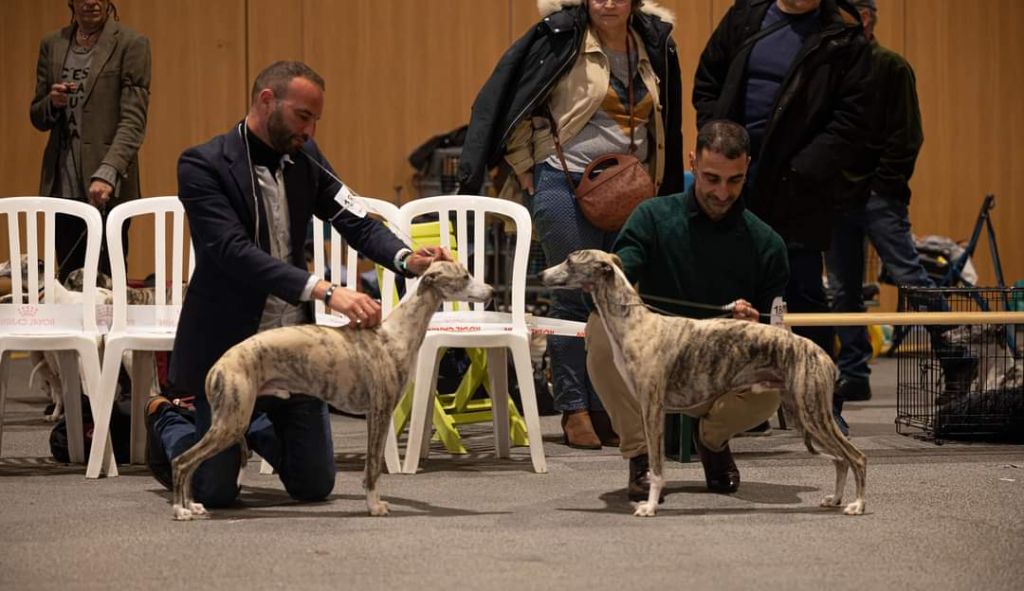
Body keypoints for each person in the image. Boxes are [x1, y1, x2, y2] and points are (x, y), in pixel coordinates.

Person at [145, 61, 448, 507]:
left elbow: (357, 220)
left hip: (297, 352)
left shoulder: (306, 156)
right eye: (304, 116)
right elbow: (232, 252)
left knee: (314, 486)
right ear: (267, 100)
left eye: (316, 120)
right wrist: (324, 290)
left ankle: (248, 424)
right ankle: (170, 419)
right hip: (232, 347)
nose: (309, 129)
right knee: (215, 493)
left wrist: (407, 258)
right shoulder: (202, 164)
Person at [458, 0, 684, 449]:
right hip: (564, 180)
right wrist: (526, 164)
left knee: (619, 301)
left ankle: (608, 405)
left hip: (630, 186)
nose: (607, 2)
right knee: (572, 297)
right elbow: (508, 101)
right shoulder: (561, 36)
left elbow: (668, 119)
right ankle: (574, 408)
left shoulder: (654, 43)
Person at [587, 120, 789, 500]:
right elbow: (623, 266)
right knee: (600, 328)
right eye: (711, 178)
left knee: (773, 382)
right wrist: (605, 278)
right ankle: (641, 457)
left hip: (722, 373)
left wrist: (758, 324)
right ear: (693, 162)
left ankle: (712, 441)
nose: (722, 192)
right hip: (655, 362)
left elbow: (776, 328)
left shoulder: (768, 244)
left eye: (735, 180)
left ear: (748, 168)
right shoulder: (652, 217)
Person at [692, 0, 871, 362]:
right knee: (730, 290)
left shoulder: (844, 37)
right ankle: (738, 407)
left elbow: (852, 120)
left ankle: (821, 403)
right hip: (734, 177)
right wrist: (717, 140)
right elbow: (708, 79)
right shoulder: (745, 14)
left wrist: (803, 169)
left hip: (799, 186)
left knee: (804, 295)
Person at [827, 0, 972, 434]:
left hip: (878, 196)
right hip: (838, 196)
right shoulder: (830, 65)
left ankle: (956, 358)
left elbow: (909, 135)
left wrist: (882, 187)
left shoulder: (892, 66)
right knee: (842, 291)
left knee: (912, 277)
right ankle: (853, 372)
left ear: (865, 17)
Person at [29, 0, 150, 283]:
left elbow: (133, 120)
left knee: (106, 284)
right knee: (69, 281)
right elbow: (37, 116)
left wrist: (108, 173)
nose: (92, 2)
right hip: (61, 185)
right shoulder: (53, 44)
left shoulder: (132, 44)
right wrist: (52, 102)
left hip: (107, 186)